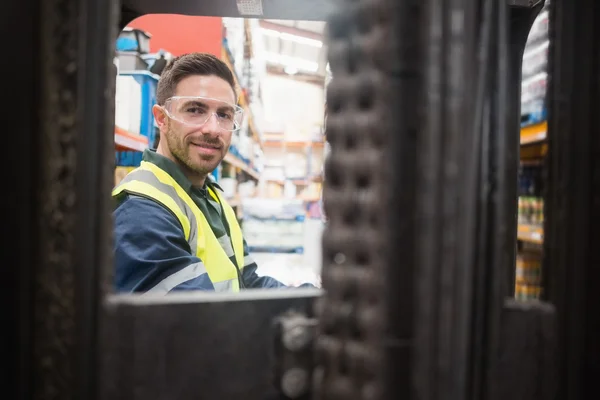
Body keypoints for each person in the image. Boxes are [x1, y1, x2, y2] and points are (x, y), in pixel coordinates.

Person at [113, 52, 312, 293]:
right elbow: (196, 322)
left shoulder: (213, 199)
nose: (212, 128)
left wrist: (314, 300)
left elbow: (247, 282)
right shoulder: (143, 211)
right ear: (162, 119)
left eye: (224, 114)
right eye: (195, 110)